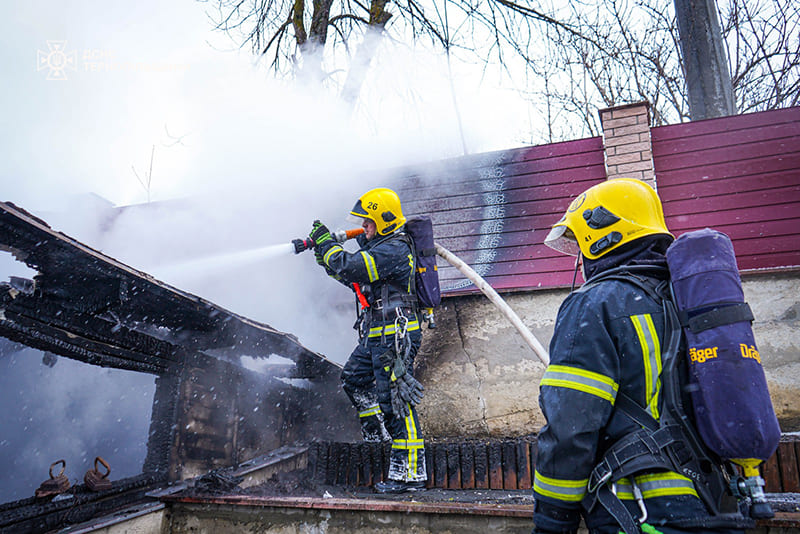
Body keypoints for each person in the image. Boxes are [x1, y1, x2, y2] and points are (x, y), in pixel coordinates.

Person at [534, 178, 751, 534]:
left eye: (581, 244)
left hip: (641, 509)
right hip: (717, 500)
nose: (580, 260)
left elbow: (570, 430)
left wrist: (551, 521)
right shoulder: (688, 300)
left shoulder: (595, 304)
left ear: (603, 238)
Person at [308, 187, 427, 493]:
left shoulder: (395, 249)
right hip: (377, 334)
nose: (364, 228)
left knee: (396, 401)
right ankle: (378, 436)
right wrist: (325, 256)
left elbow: (350, 266)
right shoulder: (379, 248)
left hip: (395, 336)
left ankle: (410, 474)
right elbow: (348, 274)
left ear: (384, 221)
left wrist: (328, 247)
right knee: (353, 378)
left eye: (369, 222)